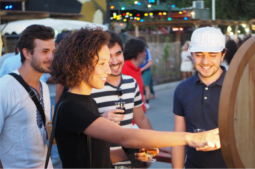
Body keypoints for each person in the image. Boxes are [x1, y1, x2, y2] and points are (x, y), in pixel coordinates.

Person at [50, 27, 221, 168]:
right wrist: (191, 138)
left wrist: (141, 152)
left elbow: (97, 159)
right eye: (102, 63)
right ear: (80, 65)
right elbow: (125, 137)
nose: (108, 69)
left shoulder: (87, 101)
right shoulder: (71, 107)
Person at [91, 31, 154, 168]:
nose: (114, 61)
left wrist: (152, 148)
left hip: (132, 162)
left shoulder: (131, 82)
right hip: (104, 163)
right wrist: (101, 119)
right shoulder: (90, 87)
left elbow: (141, 120)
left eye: (118, 54)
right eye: (108, 57)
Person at [0, 24, 55, 168]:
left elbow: (44, 130)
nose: (51, 57)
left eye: (53, 51)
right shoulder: (4, 88)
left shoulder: (44, 87)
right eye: (44, 51)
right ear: (27, 53)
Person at [172, 27, 227, 168]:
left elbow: (254, 132)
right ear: (191, 54)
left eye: (212, 54)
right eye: (199, 54)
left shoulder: (239, 87)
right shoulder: (182, 89)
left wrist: (226, 140)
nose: (205, 61)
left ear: (223, 54)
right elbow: (178, 139)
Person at [122, 38, 147, 113]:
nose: (146, 54)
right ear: (139, 53)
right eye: (144, 51)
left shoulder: (137, 69)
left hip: (139, 118)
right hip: (131, 121)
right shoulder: (124, 70)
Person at [137, 36, 153, 109]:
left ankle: (147, 102)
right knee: (140, 87)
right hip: (138, 70)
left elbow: (150, 63)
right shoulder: (137, 51)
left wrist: (142, 69)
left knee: (146, 87)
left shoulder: (147, 50)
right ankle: (142, 102)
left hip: (145, 70)